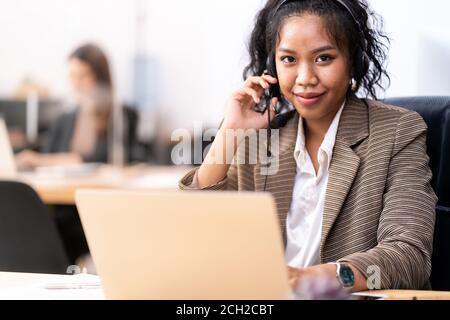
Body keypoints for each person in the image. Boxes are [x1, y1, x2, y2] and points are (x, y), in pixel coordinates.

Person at [180, 0, 437, 292]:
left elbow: (409, 258)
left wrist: (314, 279)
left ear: (352, 60)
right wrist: (230, 132)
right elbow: (198, 237)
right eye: (289, 59)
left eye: (323, 58)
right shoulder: (262, 138)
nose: (305, 79)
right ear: (271, 66)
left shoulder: (397, 132)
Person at [15, 43, 138, 170]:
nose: (76, 84)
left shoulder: (120, 116)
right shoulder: (64, 120)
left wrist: (40, 160)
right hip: (63, 187)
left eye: (83, 76)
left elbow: (103, 158)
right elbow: (47, 156)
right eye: (72, 76)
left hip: (100, 187)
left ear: (100, 77)